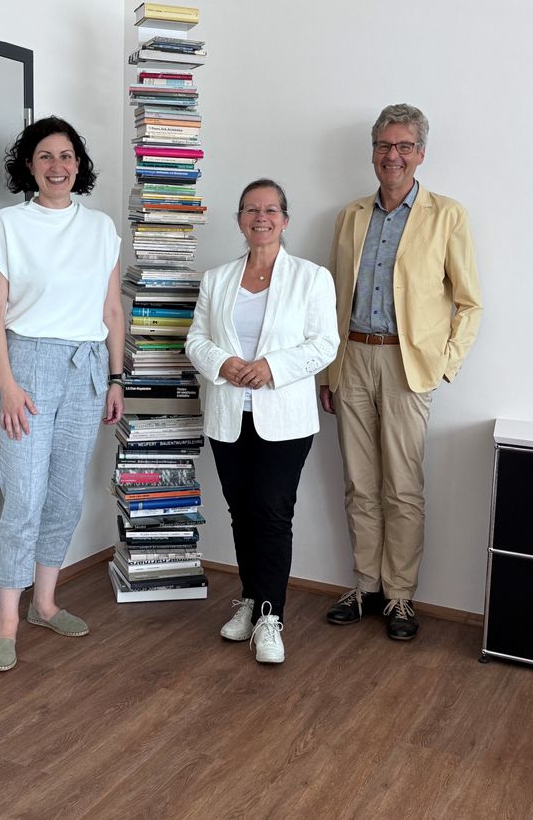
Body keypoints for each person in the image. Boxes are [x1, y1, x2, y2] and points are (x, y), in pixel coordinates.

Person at [320, 104, 482, 641]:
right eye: (385, 146)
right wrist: (328, 371)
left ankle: (400, 597)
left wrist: (445, 363)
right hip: (353, 359)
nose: (393, 156)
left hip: (408, 364)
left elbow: (469, 302)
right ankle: (365, 586)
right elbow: (332, 300)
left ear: (420, 154)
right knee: (359, 485)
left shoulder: (446, 215)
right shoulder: (349, 217)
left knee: (403, 488)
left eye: (404, 146)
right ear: (373, 152)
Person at [0, 116, 124, 671]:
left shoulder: (102, 228)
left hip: (87, 368)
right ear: (29, 165)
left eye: (66, 156)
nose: (57, 166)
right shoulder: (8, 225)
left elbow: (112, 311)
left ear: (79, 165)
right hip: (29, 366)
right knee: (24, 496)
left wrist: (114, 378)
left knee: (65, 494)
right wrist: (8, 384)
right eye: (45, 156)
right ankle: (7, 621)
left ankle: (45, 602)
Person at [186, 179, 339, 664]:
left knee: (272, 513)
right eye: (251, 209)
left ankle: (270, 617)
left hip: (285, 420)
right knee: (241, 512)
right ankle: (251, 601)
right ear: (239, 220)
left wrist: (271, 368)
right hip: (230, 416)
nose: (261, 217)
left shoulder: (311, 278)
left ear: (284, 220)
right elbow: (195, 340)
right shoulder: (217, 279)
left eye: (270, 209)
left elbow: (324, 344)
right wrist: (223, 364)